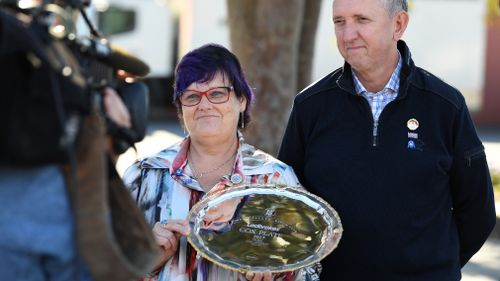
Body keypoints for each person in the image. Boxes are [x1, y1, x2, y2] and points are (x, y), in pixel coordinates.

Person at [278, 0, 497, 280]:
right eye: (339, 22)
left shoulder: (445, 106)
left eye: (361, 20)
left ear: (398, 25)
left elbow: (478, 211)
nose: (348, 34)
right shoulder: (310, 106)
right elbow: (288, 203)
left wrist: (437, 266)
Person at [123, 44, 321, 281]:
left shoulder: (276, 179)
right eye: (192, 96)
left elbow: (310, 271)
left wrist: (278, 273)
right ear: (181, 108)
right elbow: (101, 269)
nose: (204, 105)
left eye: (218, 93)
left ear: (242, 100)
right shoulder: (142, 176)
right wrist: (145, 264)